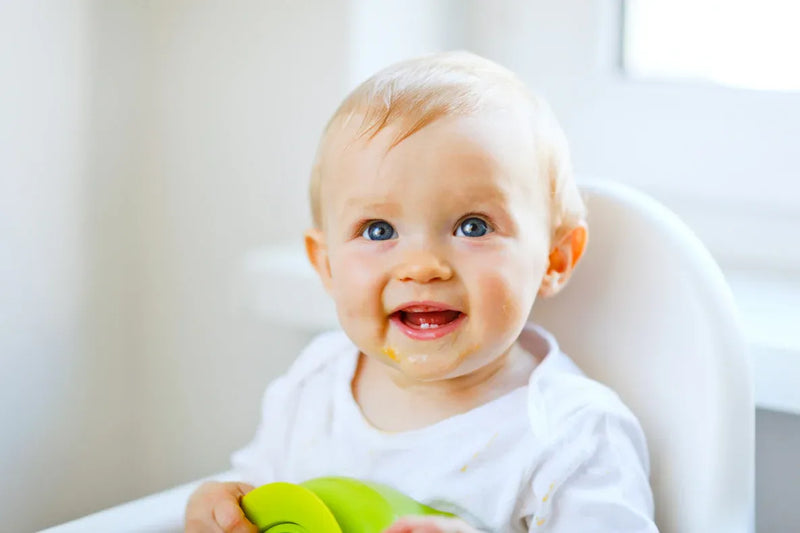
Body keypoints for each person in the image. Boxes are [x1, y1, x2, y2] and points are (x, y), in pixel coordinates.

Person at [184, 51, 657, 533]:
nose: (422, 267)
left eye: (473, 226)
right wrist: (222, 509)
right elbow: (261, 498)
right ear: (326, 265)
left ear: (555, 259)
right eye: (377, 230)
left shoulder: (572, 437)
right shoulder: (312, 386)